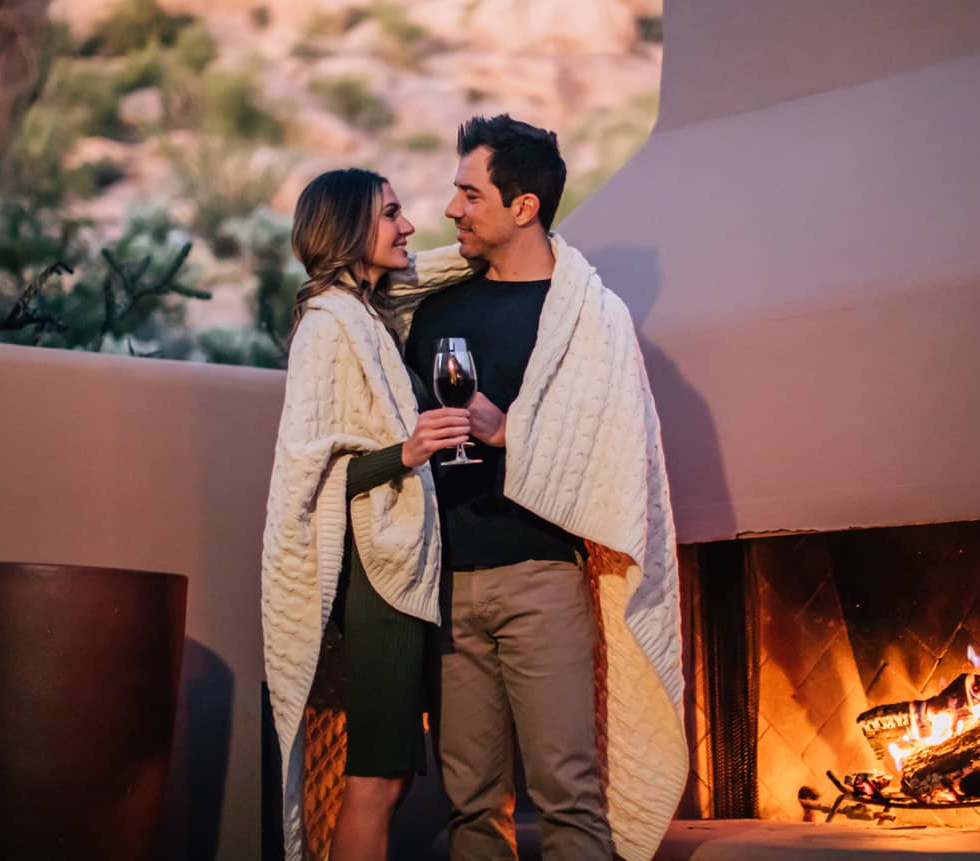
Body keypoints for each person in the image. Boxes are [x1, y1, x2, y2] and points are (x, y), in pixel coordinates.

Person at [405, 116, 688, 861]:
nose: (450, 210)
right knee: (469, 802)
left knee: (568, 794)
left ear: (522, 205)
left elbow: (616, 450)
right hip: (449, 581)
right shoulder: (433, 310)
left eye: (469, 193)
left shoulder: (591, 320)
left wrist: (513, 431)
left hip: (542, 579)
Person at [260, 168, 478, 861]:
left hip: (399, 572)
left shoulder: (370, 315)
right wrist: (407, 451)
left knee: (390, 782)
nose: (408, 225)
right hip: (376, 582)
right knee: (375, 782)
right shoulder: (328, 326)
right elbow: (314, 471)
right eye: (391, 214)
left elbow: (438, 266)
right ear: (351, 230)